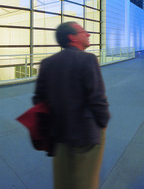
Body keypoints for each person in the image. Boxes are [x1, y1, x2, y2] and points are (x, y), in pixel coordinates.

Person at [33, 22, 110, 189]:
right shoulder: (88, 59)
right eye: (84, 32)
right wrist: (103, 122)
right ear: (72, 37)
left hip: (59, 134)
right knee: (86, 182)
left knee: (63, 182)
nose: (88, 34)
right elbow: (97, 98)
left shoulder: (47, 63)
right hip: (87, 134)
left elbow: (38, 100)